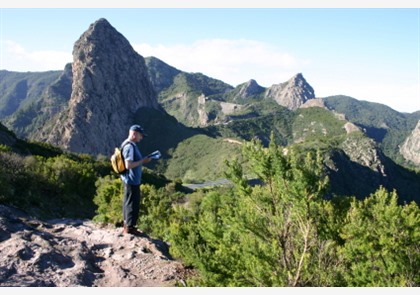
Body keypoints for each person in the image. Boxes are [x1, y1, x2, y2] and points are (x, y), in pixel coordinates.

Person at [120, 124, 152, 235]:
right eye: (140, 135)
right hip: (131, 180)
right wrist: (143, 161)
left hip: (130, 179)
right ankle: (130, 228)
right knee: (132, 203)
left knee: (128, 201)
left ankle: (127, 225)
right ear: (134, 134)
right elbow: (128, 165)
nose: (141, 137)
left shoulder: (129, 144)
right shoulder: (129, 147)